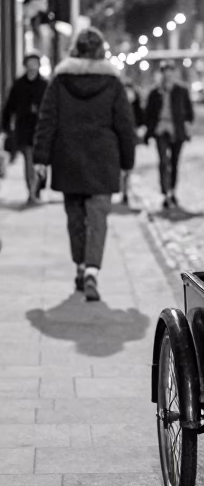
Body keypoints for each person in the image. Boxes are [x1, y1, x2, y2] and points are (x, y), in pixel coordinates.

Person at [33, 27, 136, 301]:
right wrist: (128, 162)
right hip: (104, 158)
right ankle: (91, 271)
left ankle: (79, 265)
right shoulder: (113, 82)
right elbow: (125, 124)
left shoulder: (60, 80)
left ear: (75, 49)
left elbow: (47, 119)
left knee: (75, 217)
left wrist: (40, 159)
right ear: (101, 50)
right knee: (98, 216)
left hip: (68, 157)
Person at [144, 61, 194, 210]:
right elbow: (149, 114)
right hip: (161, 130)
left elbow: (189, 113)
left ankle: (172, 190)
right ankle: (165, 192)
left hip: (177, 131)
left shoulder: (181, 91)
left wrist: (186, 125)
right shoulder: (155, 92)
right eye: (166, 71)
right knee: (163, 161)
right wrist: (149, 129)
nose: (168, 74)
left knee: (174, 162)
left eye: (171, 70)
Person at [1, 52, 48, 205]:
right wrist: (6, 126)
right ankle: (32, 191)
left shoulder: (45, 84)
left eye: (35, 63)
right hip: (25, 128)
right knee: (29, 160)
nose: (32, 66)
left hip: (42, 129)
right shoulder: (19, 84)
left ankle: (37, 188)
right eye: (30, 63)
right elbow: (10, 107)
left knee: (40, 161)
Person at [119, 78, 146, 206]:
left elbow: (141, 120)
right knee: (121, 166)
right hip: (119, 138)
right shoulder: (117, 106)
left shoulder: (136, 107)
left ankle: (126, 189)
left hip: (130, 138)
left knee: (128, 165)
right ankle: (123, 190)